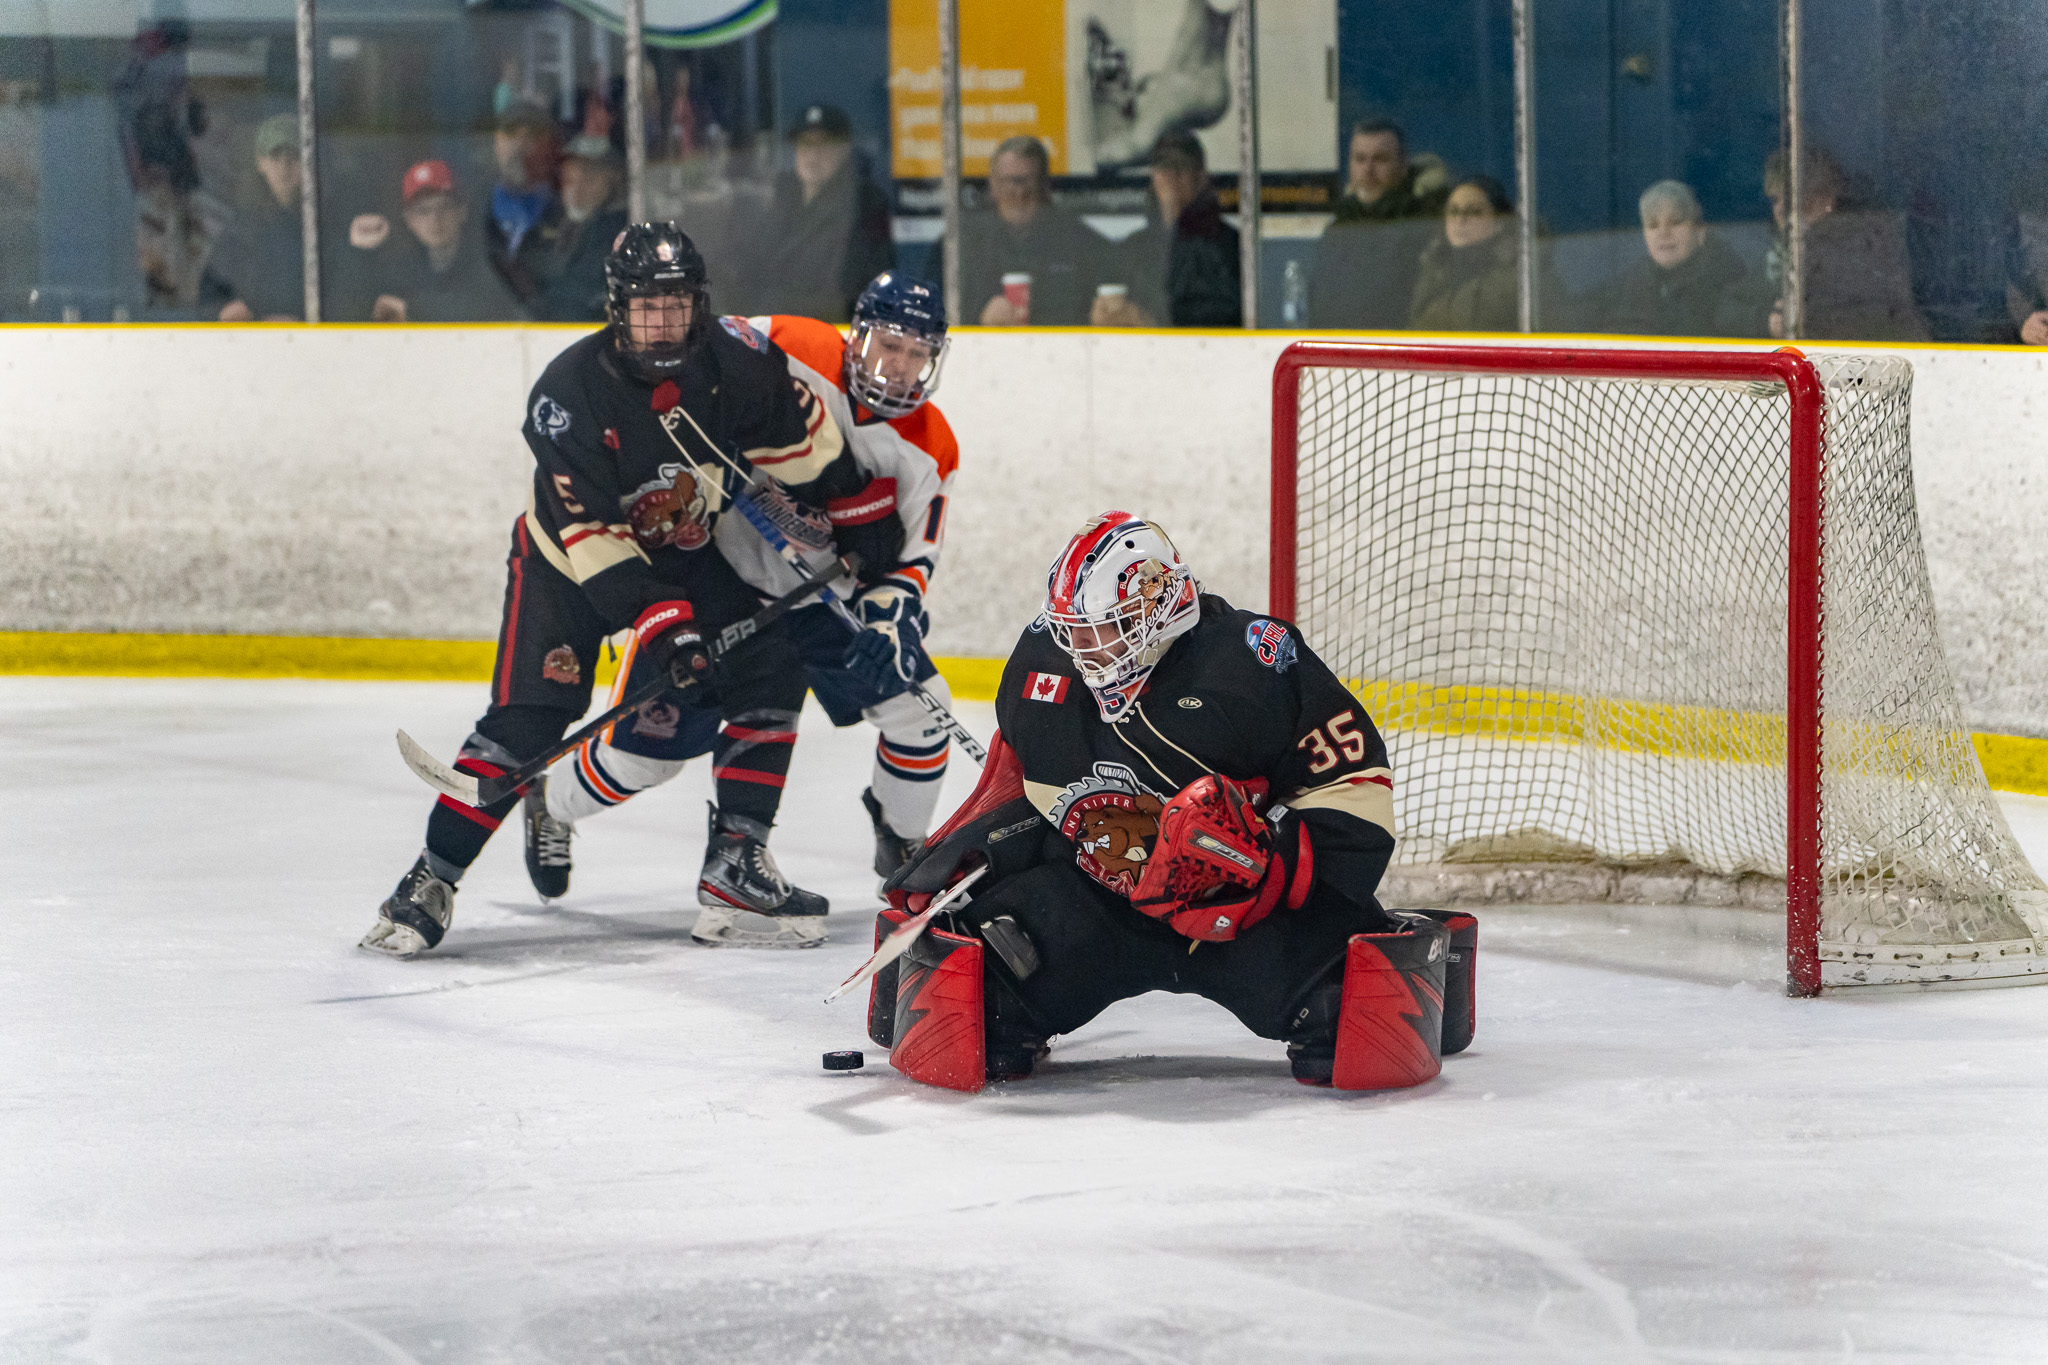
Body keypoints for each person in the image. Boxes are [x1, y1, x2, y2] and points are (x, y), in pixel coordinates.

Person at [360, 223, 864, 958]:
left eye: (677, 304)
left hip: (689, 552)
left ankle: (735, 863)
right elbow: (594, 539)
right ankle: (430, 878)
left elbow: (810, 446)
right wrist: (670, 632)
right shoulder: (567, 394)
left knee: (770, 659)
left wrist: (854, 521)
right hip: (564, 566)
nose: (662, 322)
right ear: (615, 308)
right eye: (645, 306)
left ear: (700, 304)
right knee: (532, 718)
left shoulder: (738, 363)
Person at [866, 513, 1479, 1092]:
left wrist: (1267, 867)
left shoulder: (1252, 662)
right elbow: (1025, 786)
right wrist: (987, 851)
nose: (1087, 651)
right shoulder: (1041, 670)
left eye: (1106, 628)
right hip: (1104, 905)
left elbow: (1356, 792)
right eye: (1075, 631)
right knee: (986, 1003)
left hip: (1248, 917)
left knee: (1340, 1016)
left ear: (1160, 604)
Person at [530, 273, 963, 896]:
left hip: (823, 601)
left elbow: (915, 560)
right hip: (714, 572)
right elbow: (708, 353)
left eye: (917, 354)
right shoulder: (793, 343)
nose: (899, 368)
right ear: (857, 336)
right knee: (644, 758)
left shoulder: (930, 445)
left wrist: (890, 619)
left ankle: (903, 847)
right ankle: (553, 802)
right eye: (889, 346)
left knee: (923, 711)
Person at [745, 104, 894, 324]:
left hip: (826, 332)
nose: (812, 155)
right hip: (768, 332)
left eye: (824, 144)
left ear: (844, 149)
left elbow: (851, 291)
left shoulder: (862, 205)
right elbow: (752, 271)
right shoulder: (779, 199)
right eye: (805, 144)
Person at [1760, 149, 1927, 342]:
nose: (1781, 208)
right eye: (1775, 199)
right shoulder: (1777, 252)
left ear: (1825, 198)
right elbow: (1727, 306)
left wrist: (1798, 323)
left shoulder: (1865, 249)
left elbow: (1877, 316)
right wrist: (1762, 320)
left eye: (1791, 197)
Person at [1091, 129, 1240, 328]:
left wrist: (1154, 322)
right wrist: (1101, 313)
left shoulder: (1229, 245)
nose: (1172, 174)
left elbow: (1232, 314)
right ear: (1153, 176)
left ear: (1201, 177)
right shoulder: (1131, 247)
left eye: (1182, 166)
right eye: (1164, 166)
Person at [1308, 120, 1447, 330]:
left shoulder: (1423, 224)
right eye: (1360, 159)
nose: (1368, 170)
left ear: (1403, 166)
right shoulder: (1337, 228)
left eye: (1380, 159)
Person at [347, 160, 522, 323]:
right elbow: (350, 308)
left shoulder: (490, 263)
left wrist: (412, 311)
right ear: (409, 220)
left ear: (462, 211)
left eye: (444, 207)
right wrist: (358, 252)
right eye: (423, 211)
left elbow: (481, 307)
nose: (435, 219)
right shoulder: (402, 271)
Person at [956, 136, 1105, 327]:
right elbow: (924, 321)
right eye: (1010, 181)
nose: (1020, 193)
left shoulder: (1082, 243)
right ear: (993, 186)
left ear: (1045, 187)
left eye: (1028, 182)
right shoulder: (960, 246)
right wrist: (976, 322)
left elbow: (1106, 314)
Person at [1600, 180, 1755, 337]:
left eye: (1675, 222)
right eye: (1653, 225)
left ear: (1700, 231)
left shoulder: (1728, 280)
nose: (1663, 233)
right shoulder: (1629, 286)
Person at [214, 114, 306, 322]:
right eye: (275, 157)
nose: (284, 166)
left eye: (293, 156)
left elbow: (345, 297)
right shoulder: (239, 230)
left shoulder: (324, 226)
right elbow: (210, 301)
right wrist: (224, 311)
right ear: (261, 163)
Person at [485, 99, 570, 313]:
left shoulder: (570, 210)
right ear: (496, 142)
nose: (521, 144)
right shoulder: (470, 205)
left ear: (551, 146)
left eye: (532, 136)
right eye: (511, 133)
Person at [536, 134, 629, 322]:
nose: (576, 190)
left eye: (589, 179)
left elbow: (585, 296)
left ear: (614, 181)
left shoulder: (621, 234)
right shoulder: (545, 225)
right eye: (570, 179)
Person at [1410, 175, 1520, 332]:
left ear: (1499, 222)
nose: (1460, 219)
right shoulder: (1432, 268)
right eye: (1453, 211)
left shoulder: (1521, 277)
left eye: (1474, 212)